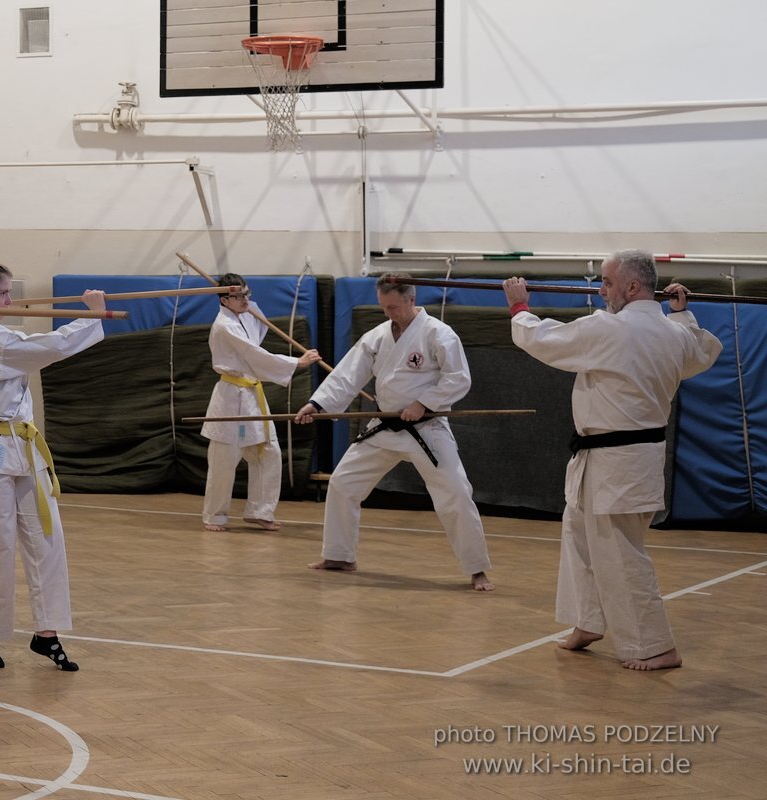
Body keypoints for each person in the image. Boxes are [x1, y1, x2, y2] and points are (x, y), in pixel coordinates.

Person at [502, 250, 722, 671]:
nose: (600, 290)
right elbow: (699, 352)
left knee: (621, 551)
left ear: (633, 287)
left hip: (619, 461)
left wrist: (519, 306)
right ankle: (588, 621)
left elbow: (543, 340)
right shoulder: (673, 333)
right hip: (611, 458)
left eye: (606, 282)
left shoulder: (610, 328)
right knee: (579, 535)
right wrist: (682, 314)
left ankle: (656, 646)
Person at [0, 245, 104, 672]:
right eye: (3, 293)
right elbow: (48, 346)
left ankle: (47, 632)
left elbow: (32, 344)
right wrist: (91, 315)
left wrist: (88, 318)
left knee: (47, 538)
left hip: (22, 448)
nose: (11, 300)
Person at [294, 274, 494, 592]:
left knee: (455, 492)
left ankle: (477, 569)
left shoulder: (438, 334)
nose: (389, 313)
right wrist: (318, 405)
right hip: (385, 428)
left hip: (426, 428)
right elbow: (348, 375)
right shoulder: (377, 336)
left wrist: (422, 403)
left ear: (411, 299)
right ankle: (339, 556)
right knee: (343, 483)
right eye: (384, 307)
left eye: (394, 306)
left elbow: (458, 379)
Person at [200, 273, 320, 532]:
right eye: (239, 296)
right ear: (223, 300)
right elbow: (255, 355)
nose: (245, 299)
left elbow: (257, 323)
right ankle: (215, 515)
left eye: (247, 293)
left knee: (268, 453)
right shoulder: (225, 326)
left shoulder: (244, 314)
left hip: (252, 397)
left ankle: (259, 511)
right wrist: (297, 362)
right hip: (231, 397)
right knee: (224, 458)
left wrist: (243, 298)